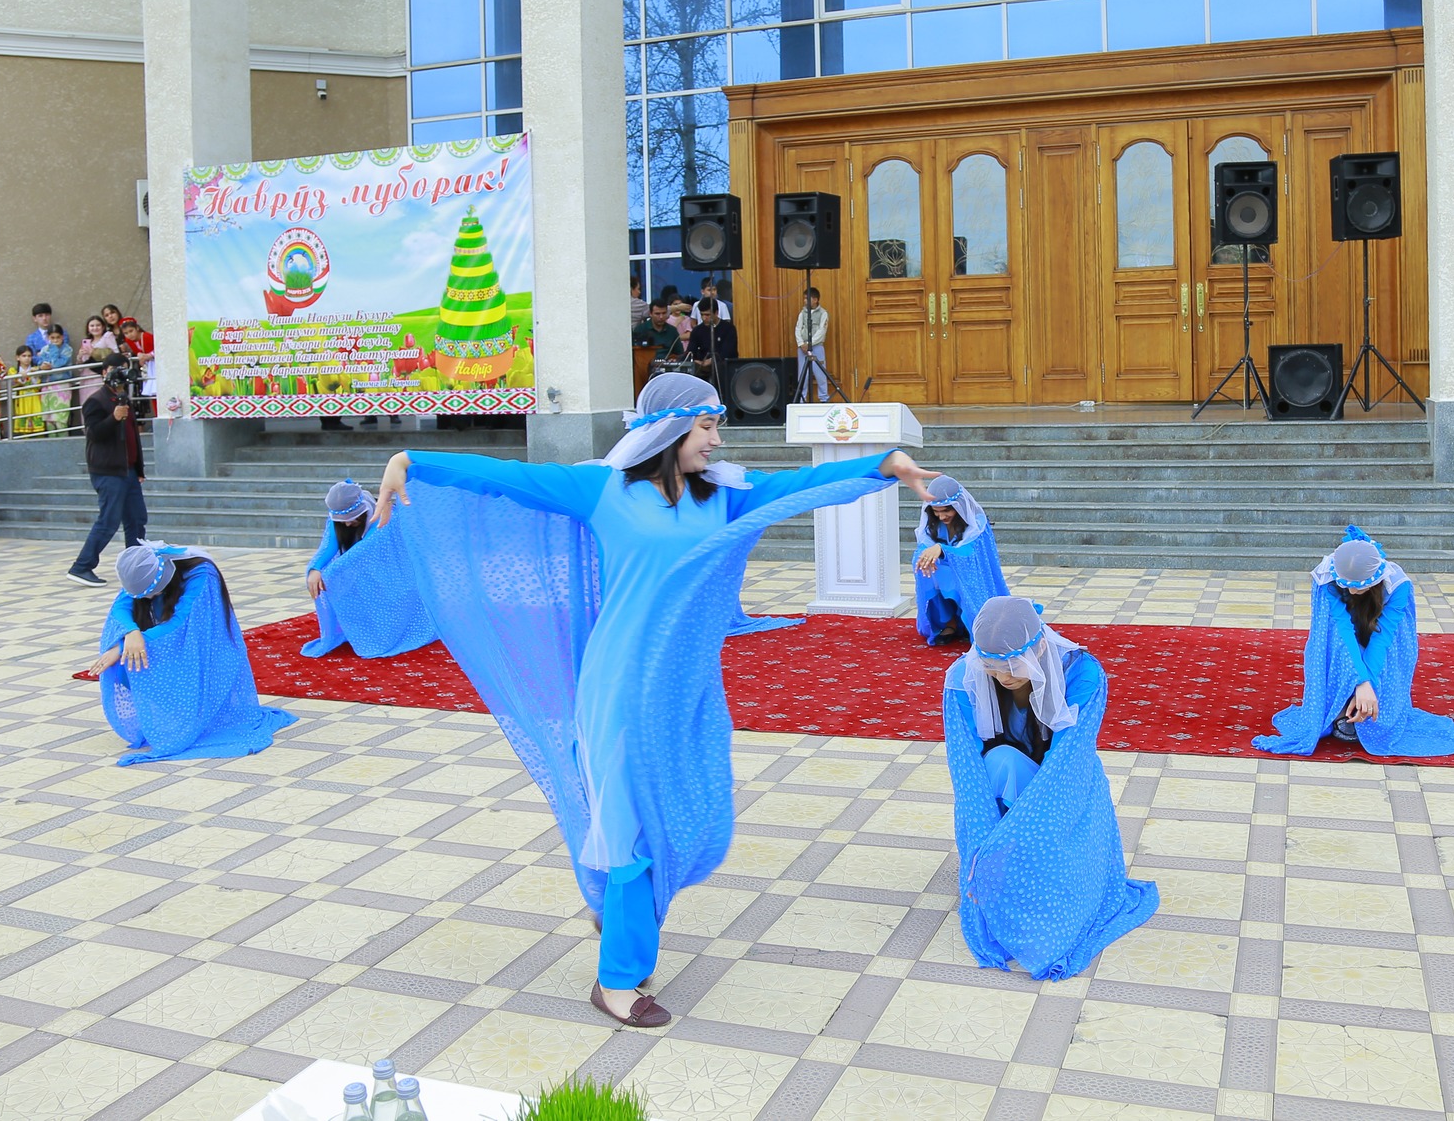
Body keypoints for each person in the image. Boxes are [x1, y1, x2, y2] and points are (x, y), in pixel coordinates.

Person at [372, 371, 941, 1028]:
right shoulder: (602, 490)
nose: (716, 440)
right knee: (631, 831)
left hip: (683, 689)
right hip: (618, 685)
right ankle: (616, 980)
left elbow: (800, 485)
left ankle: (617, 913)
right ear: (668, 430)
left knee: (669, 818)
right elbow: (508, 477)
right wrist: (412, 460)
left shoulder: (723, 495)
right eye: (706, 427)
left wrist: (884, 464)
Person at [942, 597, 1157, 979]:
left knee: (1055, 896)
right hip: (1007, 776)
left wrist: (1023, 828)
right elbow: (967, 768)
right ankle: (1004, 869)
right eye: (992, 667)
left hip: (1065, 780)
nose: (1003, 677)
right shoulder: (964, 676)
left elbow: (1067, 760)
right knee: (1000, 761)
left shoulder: (1082, 674)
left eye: (1012, 666)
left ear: (1040, 646)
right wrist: (980, 846)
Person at [1253, 527, 1454, 758]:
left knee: (1394, 645)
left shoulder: (1397, 585)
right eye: (1347, 585)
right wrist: (1360, 681)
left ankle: (1365, 708)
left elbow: (1383, 639)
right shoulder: (1327, 578)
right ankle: (1340, 708)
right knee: (1332, 638)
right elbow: (1342, 633)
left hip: (1377, 639)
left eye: (1359, 585)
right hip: (1343, 641)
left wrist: (1368, 686)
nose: (1352, 590)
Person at [92, 543, 298, 765]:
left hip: (205, 645)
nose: (149, 598)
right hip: (169, 638)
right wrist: (130, 632)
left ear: (165, 577)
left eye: (153, 592)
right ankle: (183, 713)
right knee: (126, 657)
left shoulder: (202, 574)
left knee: (131, 651)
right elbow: (120, 608)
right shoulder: (143, 569)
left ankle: (198, 715)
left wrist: (124, 646)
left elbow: (181, 623)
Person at [302, 480, 435, 657]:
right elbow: (329, 545)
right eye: (342, 521)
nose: (346, 525)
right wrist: (315, 568)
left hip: (395, 569)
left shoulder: (384, 516)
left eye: (351, 519)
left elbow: (362, 551)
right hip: (363, 567)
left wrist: (329, 573)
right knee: (326, 576)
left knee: (333, 575)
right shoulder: (338, 517)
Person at [68, 369, 146, 584]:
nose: (122, 386)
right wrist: (113, 418)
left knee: (137, 519)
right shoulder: (95, 401)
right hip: (108, 471)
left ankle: (134, 566)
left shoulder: (124, 400)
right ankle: (81, 566)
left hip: (128, 471)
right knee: (108, 521)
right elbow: (93, 434)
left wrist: (138, 469)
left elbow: (132, 437)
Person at [913, 476, 1009, 647]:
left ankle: (971, 620)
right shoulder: (934, 524)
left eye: (946, 511)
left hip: (971, 573)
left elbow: (969, 553)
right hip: (946, 571)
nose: (941, 516)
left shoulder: (976, 523)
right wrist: (925, 558)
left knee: (950, 575)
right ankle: (949, 622)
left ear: (958, 506)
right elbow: (923, 547)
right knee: (926, 568)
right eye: (936, 511)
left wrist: (942, 549)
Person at [687, 298, 737, 390]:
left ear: (716, 313)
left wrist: (711, 361)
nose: (704, 318)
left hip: (723, 367)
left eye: (707, 315)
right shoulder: (697, 330)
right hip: (702, 368)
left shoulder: (728, 329)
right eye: (702, 315)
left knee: (720, 368)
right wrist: (695, 361)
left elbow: (728, 352)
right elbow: (690, 351)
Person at [37, 324, 75, 434]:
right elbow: (40, 363)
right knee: (49, 421)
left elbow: (57, 364)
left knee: (60, 419)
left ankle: (64, 442)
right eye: (52, 338)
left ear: (62, 337)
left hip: (61, 386)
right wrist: (41, 366)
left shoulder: (67, 349)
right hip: (47, 386)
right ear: (48, 337)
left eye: (58, 337)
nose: (55, 340)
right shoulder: (45, 349)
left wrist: (53, 349)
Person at [794, 287, 830, 402]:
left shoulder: (823, 313)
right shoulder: (802, 313)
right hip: (803, 349)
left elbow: (821, 331)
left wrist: (810, 343)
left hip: (816, 347)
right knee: (803, 375)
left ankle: (823, 398)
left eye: (807, 298)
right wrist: (801, 343)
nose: (805, 301)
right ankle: (802, 399)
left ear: (815, 299)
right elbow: (798, 328)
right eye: (804, 298)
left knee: (820, 373)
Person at [11, 345, 47, 435]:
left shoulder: (36, 369)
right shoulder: (13, 370)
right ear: (17, 357)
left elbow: (38, 384)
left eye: (29, 356)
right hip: (22, 399)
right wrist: (22, 376)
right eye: (24, 356)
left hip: (34, 398)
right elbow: (14, 383)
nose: (27, 358)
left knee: (38, 427)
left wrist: (32, 374)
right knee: (24, 429)